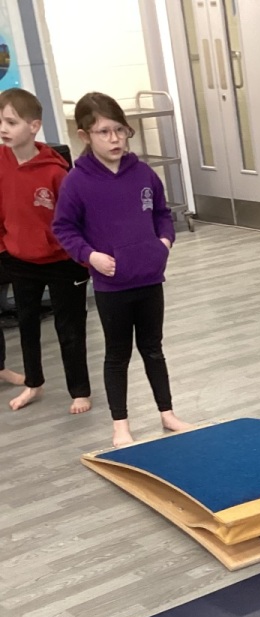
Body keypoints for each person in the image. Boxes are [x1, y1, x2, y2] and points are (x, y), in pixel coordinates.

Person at [52, 91, 191, 448]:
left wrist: (164, 242)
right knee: (117, 354)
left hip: (149, 279)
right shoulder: (77, 181)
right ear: (84, 136)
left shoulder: (143, 173)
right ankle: (120, 425)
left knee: (153, 349)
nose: (114, 139)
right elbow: (64, 228)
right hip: (112, 286)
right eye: (103, 132)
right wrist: (91, 256)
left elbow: (162, 214)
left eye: (120, 130)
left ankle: (167, 413)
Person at [0, 87, 92, 414]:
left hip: (63, 263)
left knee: (70, 329)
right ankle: (33, 383)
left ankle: (80, 391)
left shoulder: (56, 172)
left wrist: (82, 255)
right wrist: (5, 246)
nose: (3, 129)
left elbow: (76, 220)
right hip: (20, 260)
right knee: (27, 326)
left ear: (34, 126)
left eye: (11, 122)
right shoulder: (1, 162)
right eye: (0, 122)